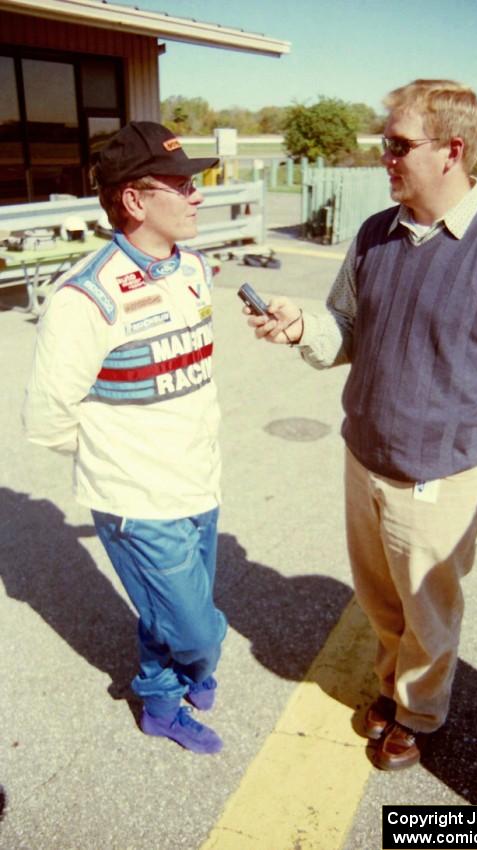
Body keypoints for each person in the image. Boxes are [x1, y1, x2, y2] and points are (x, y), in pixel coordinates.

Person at [244, 80, 477, 770]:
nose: (382, 158)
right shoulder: (373, 234)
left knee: (427, 608)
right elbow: (346, 329)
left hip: (440, 472)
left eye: (395, 145)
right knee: (379, 594)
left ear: (452, 150)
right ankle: (393, 683)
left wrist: (448, 416)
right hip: (364, 455)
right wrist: (300, 326)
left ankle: (419, 713)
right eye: (381, 144)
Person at [23, 121, 228, 755]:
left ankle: (164, 699)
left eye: (198, 181)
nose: (198, 195)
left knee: (168, 610)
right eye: (182, 184)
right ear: (135, 200)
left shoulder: (193, 266)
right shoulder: (85, 296)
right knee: (198, 630)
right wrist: (119, 459)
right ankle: (168, 678)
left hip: (200, 480)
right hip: (137, 497)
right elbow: (47, 416)